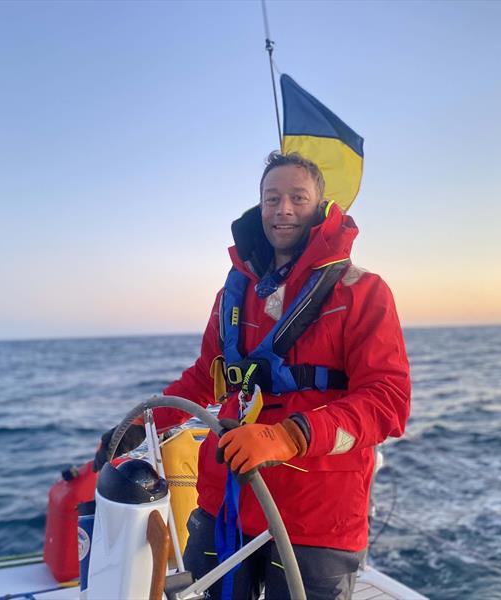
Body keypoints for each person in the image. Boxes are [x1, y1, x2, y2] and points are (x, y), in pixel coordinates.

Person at [94, 152, 411, 600]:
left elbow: (388, 402)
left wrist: (290, 436)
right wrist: (137, 431)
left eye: (298, 198)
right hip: (226, 502)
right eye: (272, 198)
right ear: (259, 207)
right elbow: (207, 376)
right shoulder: (232, 295)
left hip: (316, 517)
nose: (283, 209)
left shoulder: (362, 292)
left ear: (321, 208)